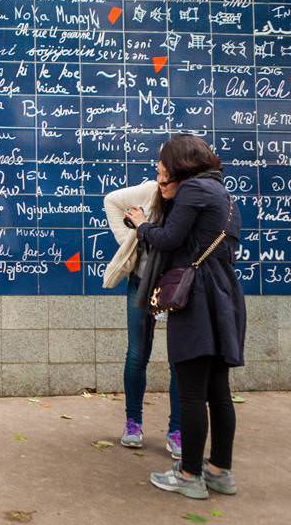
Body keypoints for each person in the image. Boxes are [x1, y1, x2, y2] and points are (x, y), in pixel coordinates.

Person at [124, 135, 245, 500]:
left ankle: (190, 474)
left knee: (192, 392)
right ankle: (220, 471)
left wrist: (142, 224)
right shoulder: (222, 193)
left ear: (179, 162)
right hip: (224, 295)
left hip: (197, 299)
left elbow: (168, 239)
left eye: (164, 163)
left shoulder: (193, 191)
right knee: (217, 391)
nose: (161, 169)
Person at [103, 178, 181, 457]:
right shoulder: (150, 191)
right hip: (142, 281)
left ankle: (177, 430)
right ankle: (133, 422)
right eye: (160, 172)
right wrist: (129, 244)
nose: (162, 180)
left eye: (167, 174)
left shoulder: (192, 200)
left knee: (179, 359)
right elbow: (111, 200)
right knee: (137, 354)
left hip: (178, 288)